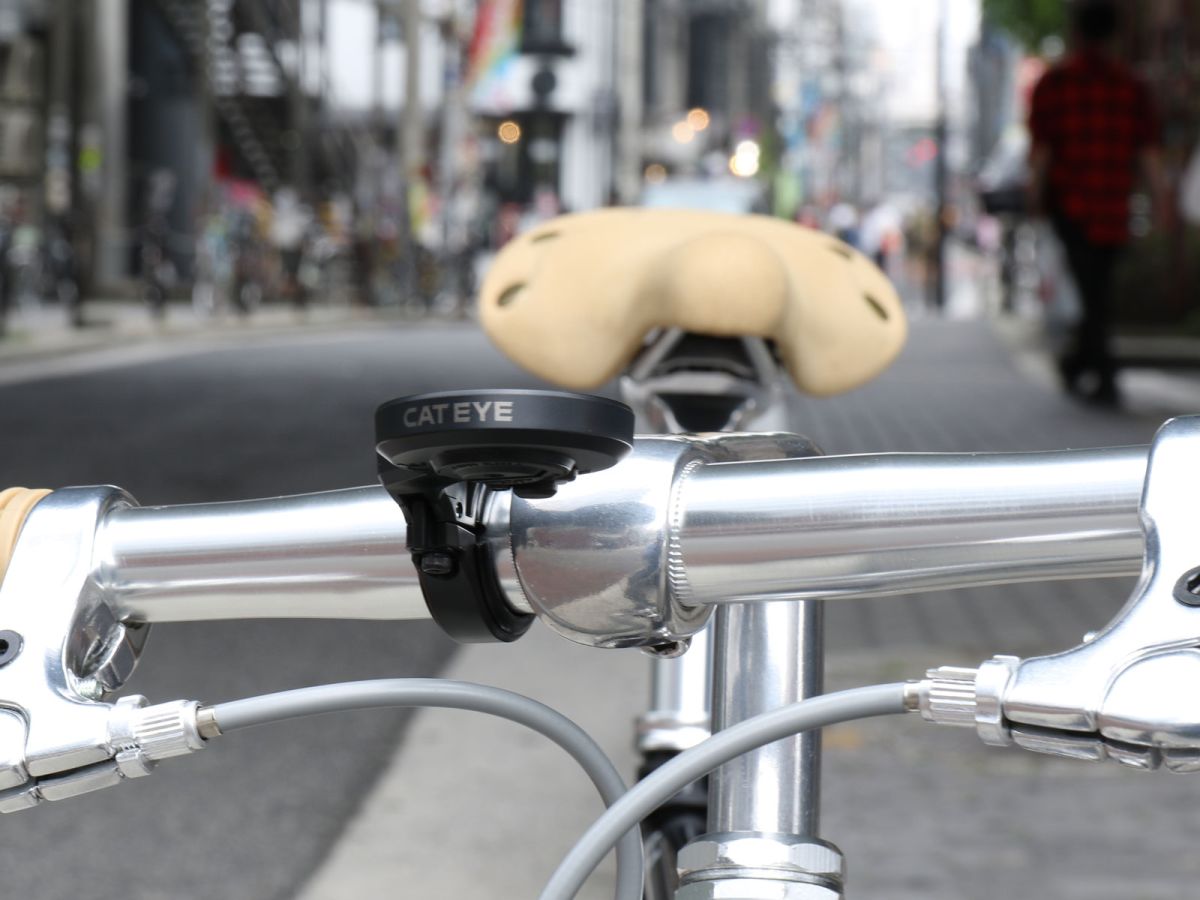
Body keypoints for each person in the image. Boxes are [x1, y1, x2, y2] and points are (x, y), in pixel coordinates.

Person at [1028, 0, 1171, 406]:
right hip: (1112, 206)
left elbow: (1043, 153)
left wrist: (1035, 198)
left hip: (1071, 205)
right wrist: (1160, 201)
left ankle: (1092, 370)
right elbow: (1148, 153)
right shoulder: (1130, 85)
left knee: (1093, 291)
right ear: (1114, 34)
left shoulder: (1056, 83)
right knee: (1098, 289)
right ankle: (1088, 367)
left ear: (1076, 33)